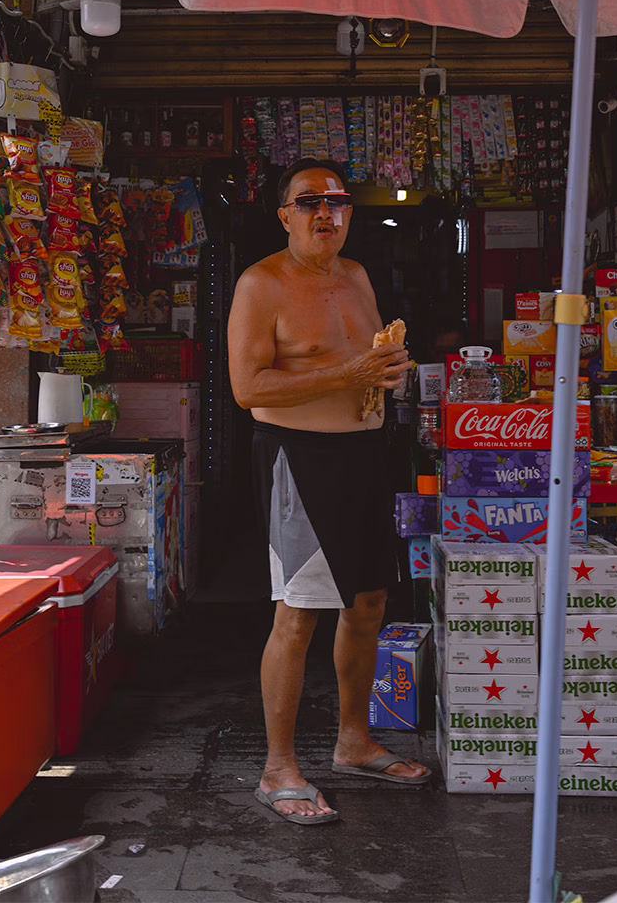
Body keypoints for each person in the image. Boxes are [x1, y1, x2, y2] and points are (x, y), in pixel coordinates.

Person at [227, 158, 428, 825]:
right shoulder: (262, 283)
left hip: (365, 453)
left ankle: (354, 741)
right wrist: (349, 372)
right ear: (284, 214)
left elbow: (367, 364)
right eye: (309, 201)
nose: (325, 212)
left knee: (368, 603)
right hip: (298, 458)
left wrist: (387, 372)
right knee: (299, 612)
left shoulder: (357, 276)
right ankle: (277, 769)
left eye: (336, 201)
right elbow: (248, 387)